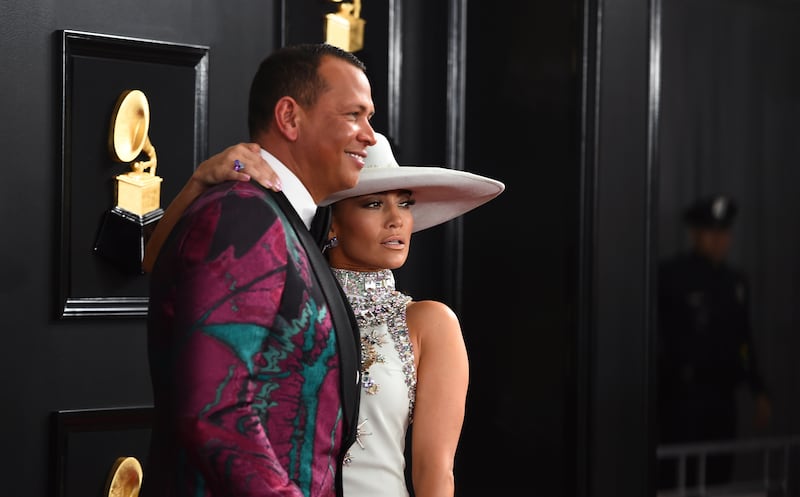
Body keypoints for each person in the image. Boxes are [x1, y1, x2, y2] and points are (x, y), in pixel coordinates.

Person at [145, 132, 505, 497]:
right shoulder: (287, 297)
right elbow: (158, 265)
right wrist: (200, 180)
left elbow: (436, 474)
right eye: (374, 204)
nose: (397, 219)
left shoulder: (430, 323)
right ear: (332, 221)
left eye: (406, 203)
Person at [142, 42, 376, 497]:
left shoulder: (277, 217)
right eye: (354, 115)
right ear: (289, 117)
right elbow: (214, 408)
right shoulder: (243, 213)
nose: (370, 135)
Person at [656, 194, 771, 489]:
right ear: (695, 233)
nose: (719, 240)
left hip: (721, 399)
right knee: (679, 480)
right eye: (712, 232)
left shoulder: (736, 282)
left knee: (718, 480)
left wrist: (756, 387)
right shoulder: (671, 276)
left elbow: (743, 340)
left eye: (725, 233)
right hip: (682, 399)